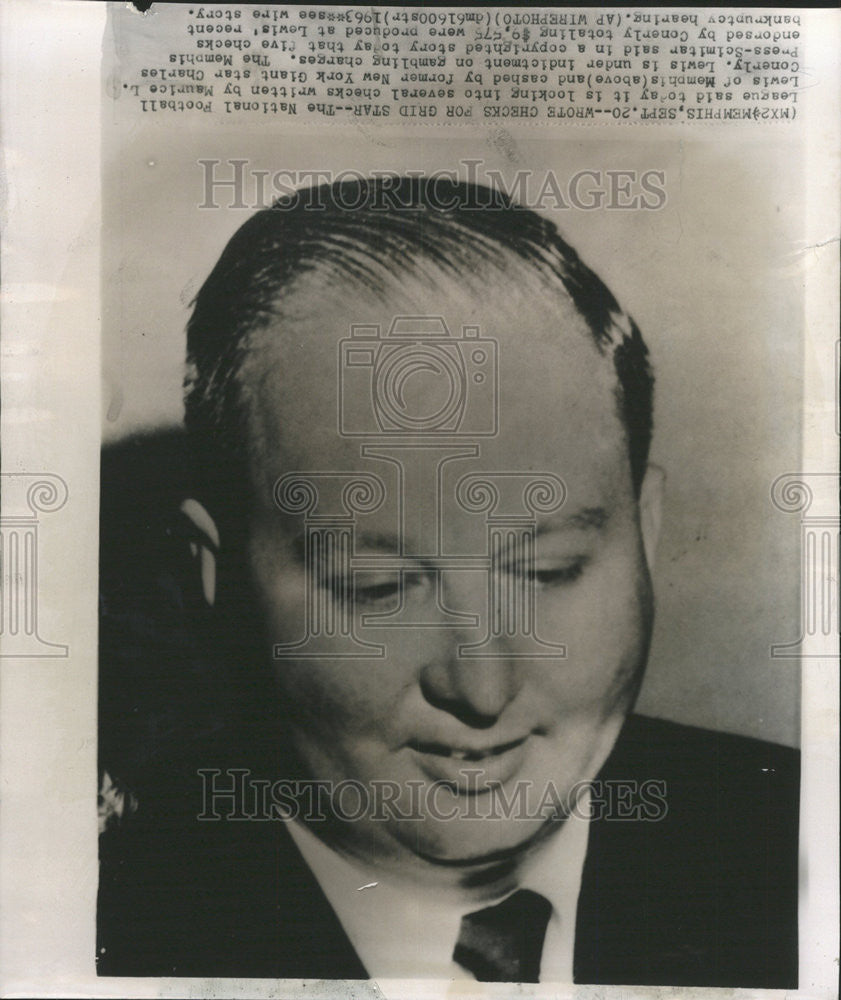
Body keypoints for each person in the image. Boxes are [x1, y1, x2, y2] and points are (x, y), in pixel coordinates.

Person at [97, 177, 798, 987]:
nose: (483, 685)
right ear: (214, 580)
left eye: (547, 571)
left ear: (643, 534)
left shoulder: (796, 843)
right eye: (380, 589)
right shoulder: (96, 911)